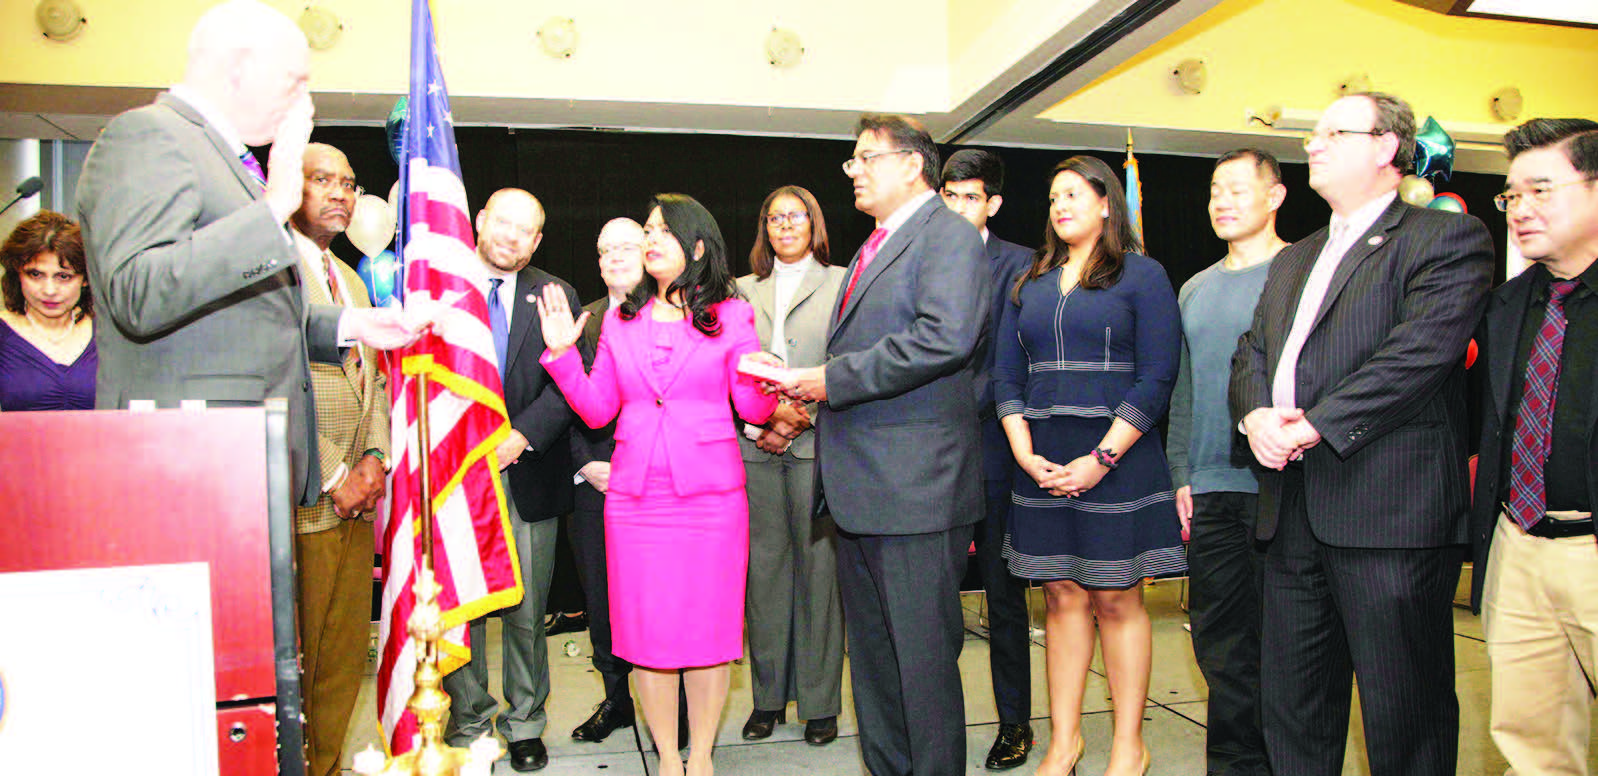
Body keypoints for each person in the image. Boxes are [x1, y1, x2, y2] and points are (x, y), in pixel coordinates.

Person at [1228, 92, 1493, 776]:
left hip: (1388, 514)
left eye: (1333, 133)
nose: (1313, 144)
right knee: (1293, 707)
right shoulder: (1296, 257)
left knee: (1404, 711)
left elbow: (1417, 355)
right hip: (1289, 512)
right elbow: (1253, 351)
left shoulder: (1444, 239)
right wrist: (1256, 415)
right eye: (1313, 134)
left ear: (1385, 147)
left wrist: (1314, 424)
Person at [73, 0, 423, 509]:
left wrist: (351, 325)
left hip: (242, 461)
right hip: (181, 467)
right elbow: (139, 293)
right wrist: (277, 203)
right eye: (293, 81)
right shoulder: (149, 135)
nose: (304, 100)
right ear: (238, 67)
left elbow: (241, 315)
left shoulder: (222, 159)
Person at [536, 193, 778, 776]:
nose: (649, 239)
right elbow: (596, 411)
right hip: (637, 501)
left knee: (710, 634)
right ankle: (668, 759)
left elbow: (751, 405)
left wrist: (766, 377)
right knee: (647, 636)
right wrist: (563, 354)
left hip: (711, 502)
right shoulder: (621, 321)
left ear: (696, 246)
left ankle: (702, 757)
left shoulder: (732, 315)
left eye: (660, 230)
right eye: (646, 228)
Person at [780, 114, 990, 776]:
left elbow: (944, 338)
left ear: (912, 164)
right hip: (861, 490)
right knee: (873, 662)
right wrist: (805, 392)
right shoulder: (874, 247)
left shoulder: (948, 237)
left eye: (866, 158)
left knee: (921, 666)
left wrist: (829, 380)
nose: (856, 171)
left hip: (916, 492)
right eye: (853, 160)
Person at [994, 155, 1185, 776]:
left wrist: (1103, 456)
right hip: (1042, 457)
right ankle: (1064, 742)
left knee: (1116, 598)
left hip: (1119, 456)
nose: (1060, 206)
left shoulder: (1143, 275)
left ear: (1108, 203)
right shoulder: (1030, 280)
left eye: (1074, 194)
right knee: (1059, 596)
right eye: (1053, 197)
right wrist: (1023, 450)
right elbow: (1006, 373)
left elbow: (1158, 377)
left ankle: (1130, 744)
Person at [1470, 119, 1598, 776]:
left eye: (1540, 190)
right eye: (1511, 196)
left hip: (1591, 549)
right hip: (1518, 549)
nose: (1520, 210)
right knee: (1532, 746)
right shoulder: (1508, 305)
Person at [442, 189, 580, 773]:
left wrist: (520, 436)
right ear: (480, 221)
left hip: (526, 471)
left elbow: (570, 382)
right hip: (455, 475)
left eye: (527, 230)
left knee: (527, 608)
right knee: (463, 603)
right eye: (504, 223)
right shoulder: (439, 285)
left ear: (538, 240)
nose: (512, 237)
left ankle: (525, 720)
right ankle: (469, 716)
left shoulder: (555, 294)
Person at [1166, 148, 1287, 776]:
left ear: (1275, 196)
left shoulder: (1298, 273)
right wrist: (1181, 471)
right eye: (1215, 189)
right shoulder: (1195, 288)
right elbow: (1183, 387)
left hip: (1283, 485)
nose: (1222, 201)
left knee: (1284, 641)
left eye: (1238, 188)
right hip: (1211, 485)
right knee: (1219, 642)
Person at [285, 142, 389, 776]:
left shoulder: (347, 277)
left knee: (345, 653)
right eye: (322, 180)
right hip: (306, 498)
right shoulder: (267, 275)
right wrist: (334, 475)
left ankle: (324, 764)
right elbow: (276, 382)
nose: (340, 194)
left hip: (356, 503)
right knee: (300, 657)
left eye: (349, 184)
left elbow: (371, 378)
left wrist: (375, 457)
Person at [734, 185, 847, 747]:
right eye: (773, 217)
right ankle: (768, 698)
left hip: (816, 441)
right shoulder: (737, 290)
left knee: (820, 576)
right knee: (765, 575)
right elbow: (728, 369)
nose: (784, 225)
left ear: (814, 223)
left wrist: (799, 415)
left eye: (795, 216)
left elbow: (849, 364)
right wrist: (762, 423)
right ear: (764, 227)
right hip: (754, 445)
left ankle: (821, 703)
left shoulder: (844, 281)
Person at [938, 149, 1036, 771]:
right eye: (949, 197)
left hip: (1000, 449)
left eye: (970, 198)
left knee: (1004, 597)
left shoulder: (1020, 265)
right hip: (935, 455)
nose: (957, 208)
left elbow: (1009, 361)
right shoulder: (915, 258)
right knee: (936, 597)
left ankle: (1016, 724)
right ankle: (935, 724)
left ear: (992, 204)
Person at [0, 211, 95, 412]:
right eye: (35, 275)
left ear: (85, 279)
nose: (49, 290)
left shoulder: (109, 333)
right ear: (17, 274)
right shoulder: (3, 333)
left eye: (63, 276)